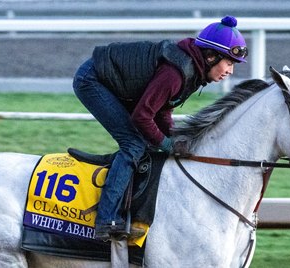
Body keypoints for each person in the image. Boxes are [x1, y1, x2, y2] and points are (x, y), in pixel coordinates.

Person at [72, 15, 248, 241]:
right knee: (133, 145)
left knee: (148, 143)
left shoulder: (193, 70)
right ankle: (106, 220)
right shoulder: (176, 74)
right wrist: (166, 144)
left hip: (114, 81)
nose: (230, 71)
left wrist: (173, 139)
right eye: (229, 63)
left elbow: (162, 109)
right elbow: (143, 115)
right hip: (92, 79)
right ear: (211, 56)